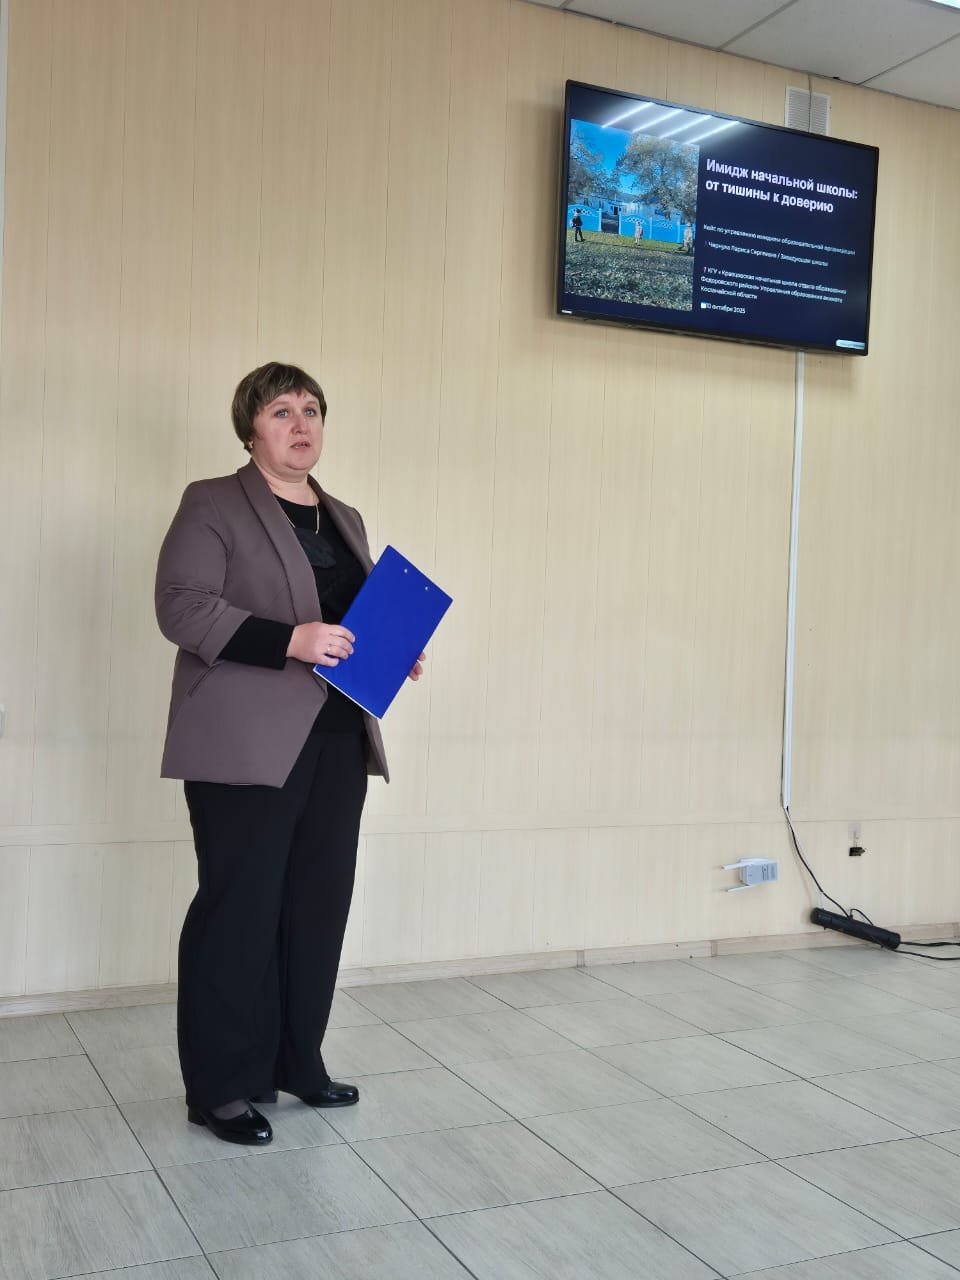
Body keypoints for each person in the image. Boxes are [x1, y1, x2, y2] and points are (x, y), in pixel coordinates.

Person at [155, 361, 423, 1146]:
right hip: (244, 742)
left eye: (312, 410)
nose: (301, 424)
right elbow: (180, 608)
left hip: (337, 738)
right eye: (281, 411)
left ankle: (296, 1060)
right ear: (250, 428)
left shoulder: (344, 516)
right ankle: (219, 1087)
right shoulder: (212, 502)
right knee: (238, 910)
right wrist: (290, 642)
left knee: (316, 906)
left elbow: (349, 623)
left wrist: (392, 650)